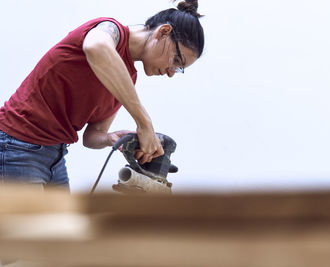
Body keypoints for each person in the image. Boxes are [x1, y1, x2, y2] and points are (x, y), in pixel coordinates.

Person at [0, 0, 204, 191]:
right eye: (177, 60)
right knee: (27, 229)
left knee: (62, 228)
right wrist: (145, 123)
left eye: (178, 69)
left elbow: (92, 136)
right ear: (163, 32)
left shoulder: (127, 78)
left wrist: (110, 138)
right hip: (17, 146)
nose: (171, 72)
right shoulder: (110, 30)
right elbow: (96, 47)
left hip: (55, 156)